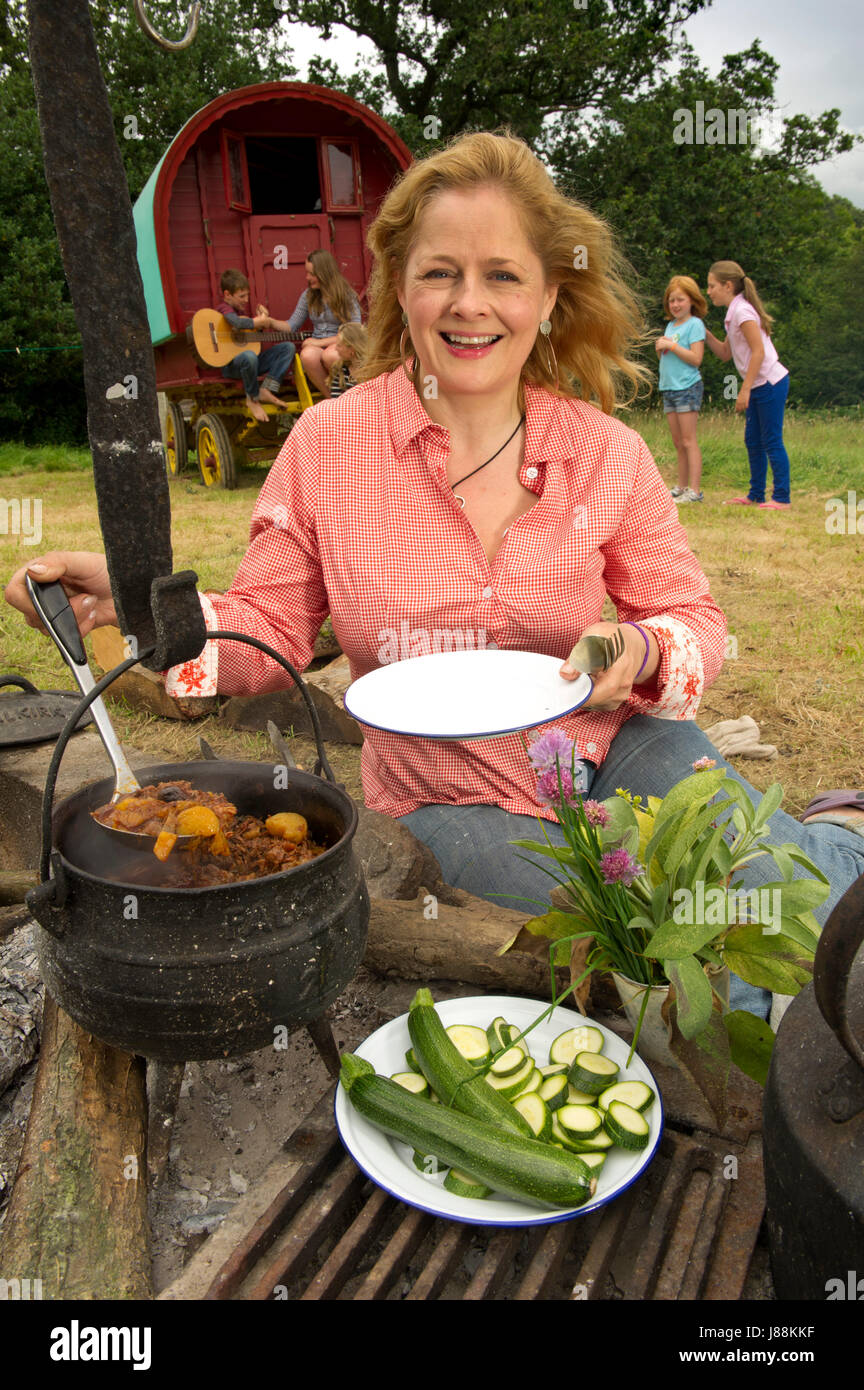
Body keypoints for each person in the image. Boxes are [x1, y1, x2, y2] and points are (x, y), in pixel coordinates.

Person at [6, 134, 863, 1024]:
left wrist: (640, 644)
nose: (469, 305)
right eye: (439, 273)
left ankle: (836, 842)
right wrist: (151, 612)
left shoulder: (606, 452)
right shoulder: (328, 447)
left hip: (613, 744)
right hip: (443, 791)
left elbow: (692, 618)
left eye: (502, 275)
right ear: (396, 289)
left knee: (784, 900)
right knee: (636, 927)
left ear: (547, 294)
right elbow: (265, 632)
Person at [704, 260, 792, 509]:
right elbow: (724, 353)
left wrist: (744, 390)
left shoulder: (742, 312)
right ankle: (756, 494)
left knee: (771, 439)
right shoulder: (733, 312)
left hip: (770, 383)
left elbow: (758, 352)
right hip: (758, 384)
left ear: (728, 285)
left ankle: (782, 497)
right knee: (753, 440)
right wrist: (705, 333)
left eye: (712, 286)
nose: (708, 291)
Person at [215, 269, 296, 425]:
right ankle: (252, 398)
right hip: (232, 366)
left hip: (251, 364)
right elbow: (237, 323)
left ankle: (266, 389)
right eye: (241, 296)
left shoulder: (240, 312)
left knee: (288, 347)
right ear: (227, 295)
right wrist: (256, 321)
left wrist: (260, 324)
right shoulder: (224, 309)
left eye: (247, 295)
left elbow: (249, 339)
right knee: (249, 356)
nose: (246, 300)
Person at [655, 276, 707, 504]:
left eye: (680, 300)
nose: (675, 305)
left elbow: (696, 358)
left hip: (687, 387)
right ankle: (681, 486)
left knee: (688, 440)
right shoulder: (670, 325)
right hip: (669, 387)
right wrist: (662, 348)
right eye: (671, 301)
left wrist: (672, 346)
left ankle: (694, 491)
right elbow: (668, 356)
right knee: (678, 442)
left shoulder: (694, 324)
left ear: (692, 300)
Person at [286, 250, 362, 395]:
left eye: (312, 274)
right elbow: (291, 325)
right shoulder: (308, 295)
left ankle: (351, 397)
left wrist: (318, 343)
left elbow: (355, 331)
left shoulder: (346, 295)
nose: (307, 277)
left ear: (324, 273)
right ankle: (331, 400)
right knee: (307, 355)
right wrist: (267, 322)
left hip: (341, 345)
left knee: (330, 355)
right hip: (320, 346)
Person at [328, 322, 367, 398]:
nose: (335, 349)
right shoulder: (339, 368)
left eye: (339, 345)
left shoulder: (375, 370)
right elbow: (336, 400)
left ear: (352, 348)